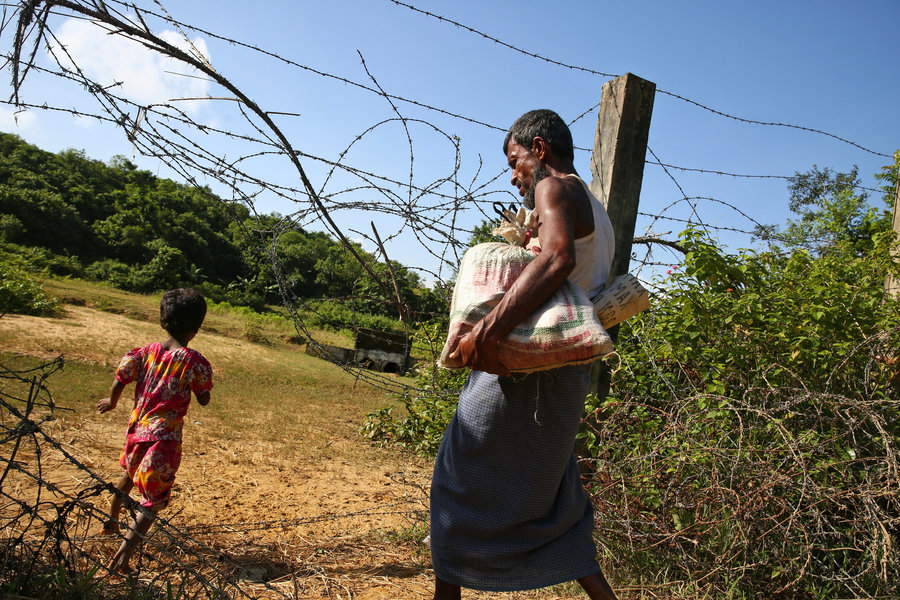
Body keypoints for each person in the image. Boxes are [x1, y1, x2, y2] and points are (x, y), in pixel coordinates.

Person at [430, 110, 619, 600]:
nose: (514, 176)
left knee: (456, 477)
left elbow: (558, 259)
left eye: (514, 161)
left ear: (539, 149)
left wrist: (488, 331)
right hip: (570, 373)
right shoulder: (595, 207)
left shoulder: (553, 188)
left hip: (530, 368)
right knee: (558, 495)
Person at [97, 288, 213, 574]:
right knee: (153, 500)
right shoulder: (193, 361)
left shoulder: (146, 352)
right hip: (164, 438)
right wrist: (200, 392)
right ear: (196, 328)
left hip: (137, 430)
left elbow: (121, 377)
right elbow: (204, 396)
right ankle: (122, 558)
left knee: (129, 474)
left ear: (164, 320)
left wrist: (111, 401)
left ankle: (111, 519)